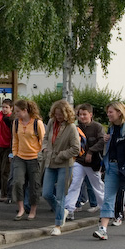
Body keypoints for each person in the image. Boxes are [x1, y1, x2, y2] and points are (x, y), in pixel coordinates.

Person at [94, 101, 125, 239]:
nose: (108, 114)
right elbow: (111, 149)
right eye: (108, 112)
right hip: (112, 167)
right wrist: (106, 142)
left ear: (119, 113)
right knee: (108, 198)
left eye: (111, 112)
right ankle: (103, 229)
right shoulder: (112, 129)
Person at [41, 100, 80, 237]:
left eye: (60, 115)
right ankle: (62, 211)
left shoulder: (71, 127)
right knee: (46, 193)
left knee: (60, 195)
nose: (58, 117)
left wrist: (61, 155)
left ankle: (57, 225)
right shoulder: (51, 123)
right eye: (56, 114)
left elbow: (76, 148)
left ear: (66, 114)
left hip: (64, 164)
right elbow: (45, 138)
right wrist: (44, 148)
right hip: (50, 161)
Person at [63, 103, 105, 219]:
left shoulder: (97, 127)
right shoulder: (76, 127)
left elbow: (102, 141)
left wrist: (91, 151)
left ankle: (105, 208)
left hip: (93, 163)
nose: (82, 117)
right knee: (74, 183)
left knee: (97, 185)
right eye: (80, 114)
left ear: (90, 114)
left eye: (84, 114)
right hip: (79, 161)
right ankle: (69, 209)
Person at [11, 99, 45, 221]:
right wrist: (15, 154)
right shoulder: (16, 123)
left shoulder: (37, 123)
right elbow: (15, 139)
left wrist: (40, 155)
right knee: (17, 182)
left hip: (34, 158)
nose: (16, 114)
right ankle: (21, 209)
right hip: (20, 157)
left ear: (25, 110)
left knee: (34, 185)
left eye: (18, 111)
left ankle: (33, 210)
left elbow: (43, 140)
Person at [0, 99, 14, 203]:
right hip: (0, 145)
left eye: (6, 107)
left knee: (5, 171)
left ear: (11, 108)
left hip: (8, 146)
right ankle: (4, 191)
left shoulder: (11, 119)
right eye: (3, 107)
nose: (4, 109)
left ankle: (5, 194)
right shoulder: (1, 116)